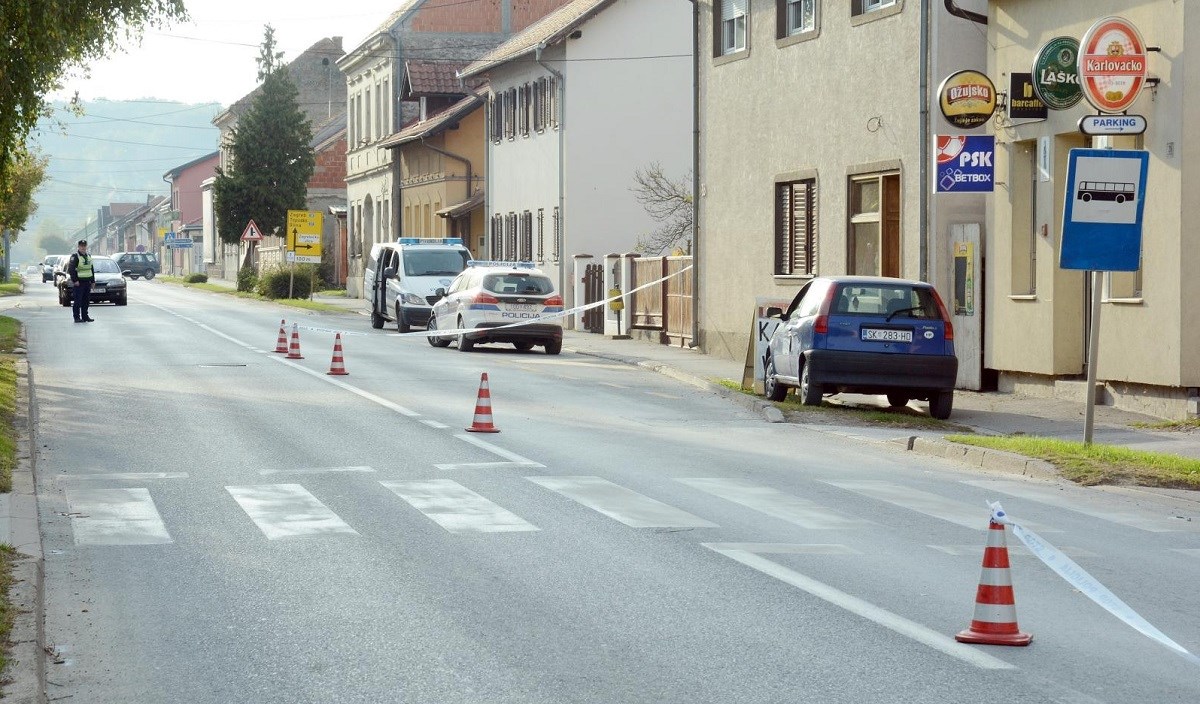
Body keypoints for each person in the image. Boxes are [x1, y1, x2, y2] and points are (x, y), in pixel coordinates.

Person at [67, 239, 95, 323]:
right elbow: (71, 269)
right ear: (78, 247)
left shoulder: (88, 256)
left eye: (84, 246)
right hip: (79, 283)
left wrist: (93, 281)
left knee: (86, 301)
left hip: (87, 282)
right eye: (81, 246)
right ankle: (77, 317)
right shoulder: (75, 256)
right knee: (78, 301)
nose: (83, 248)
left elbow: (91, 269)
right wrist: (75, 280)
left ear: (86, 247)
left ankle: (85, 316)